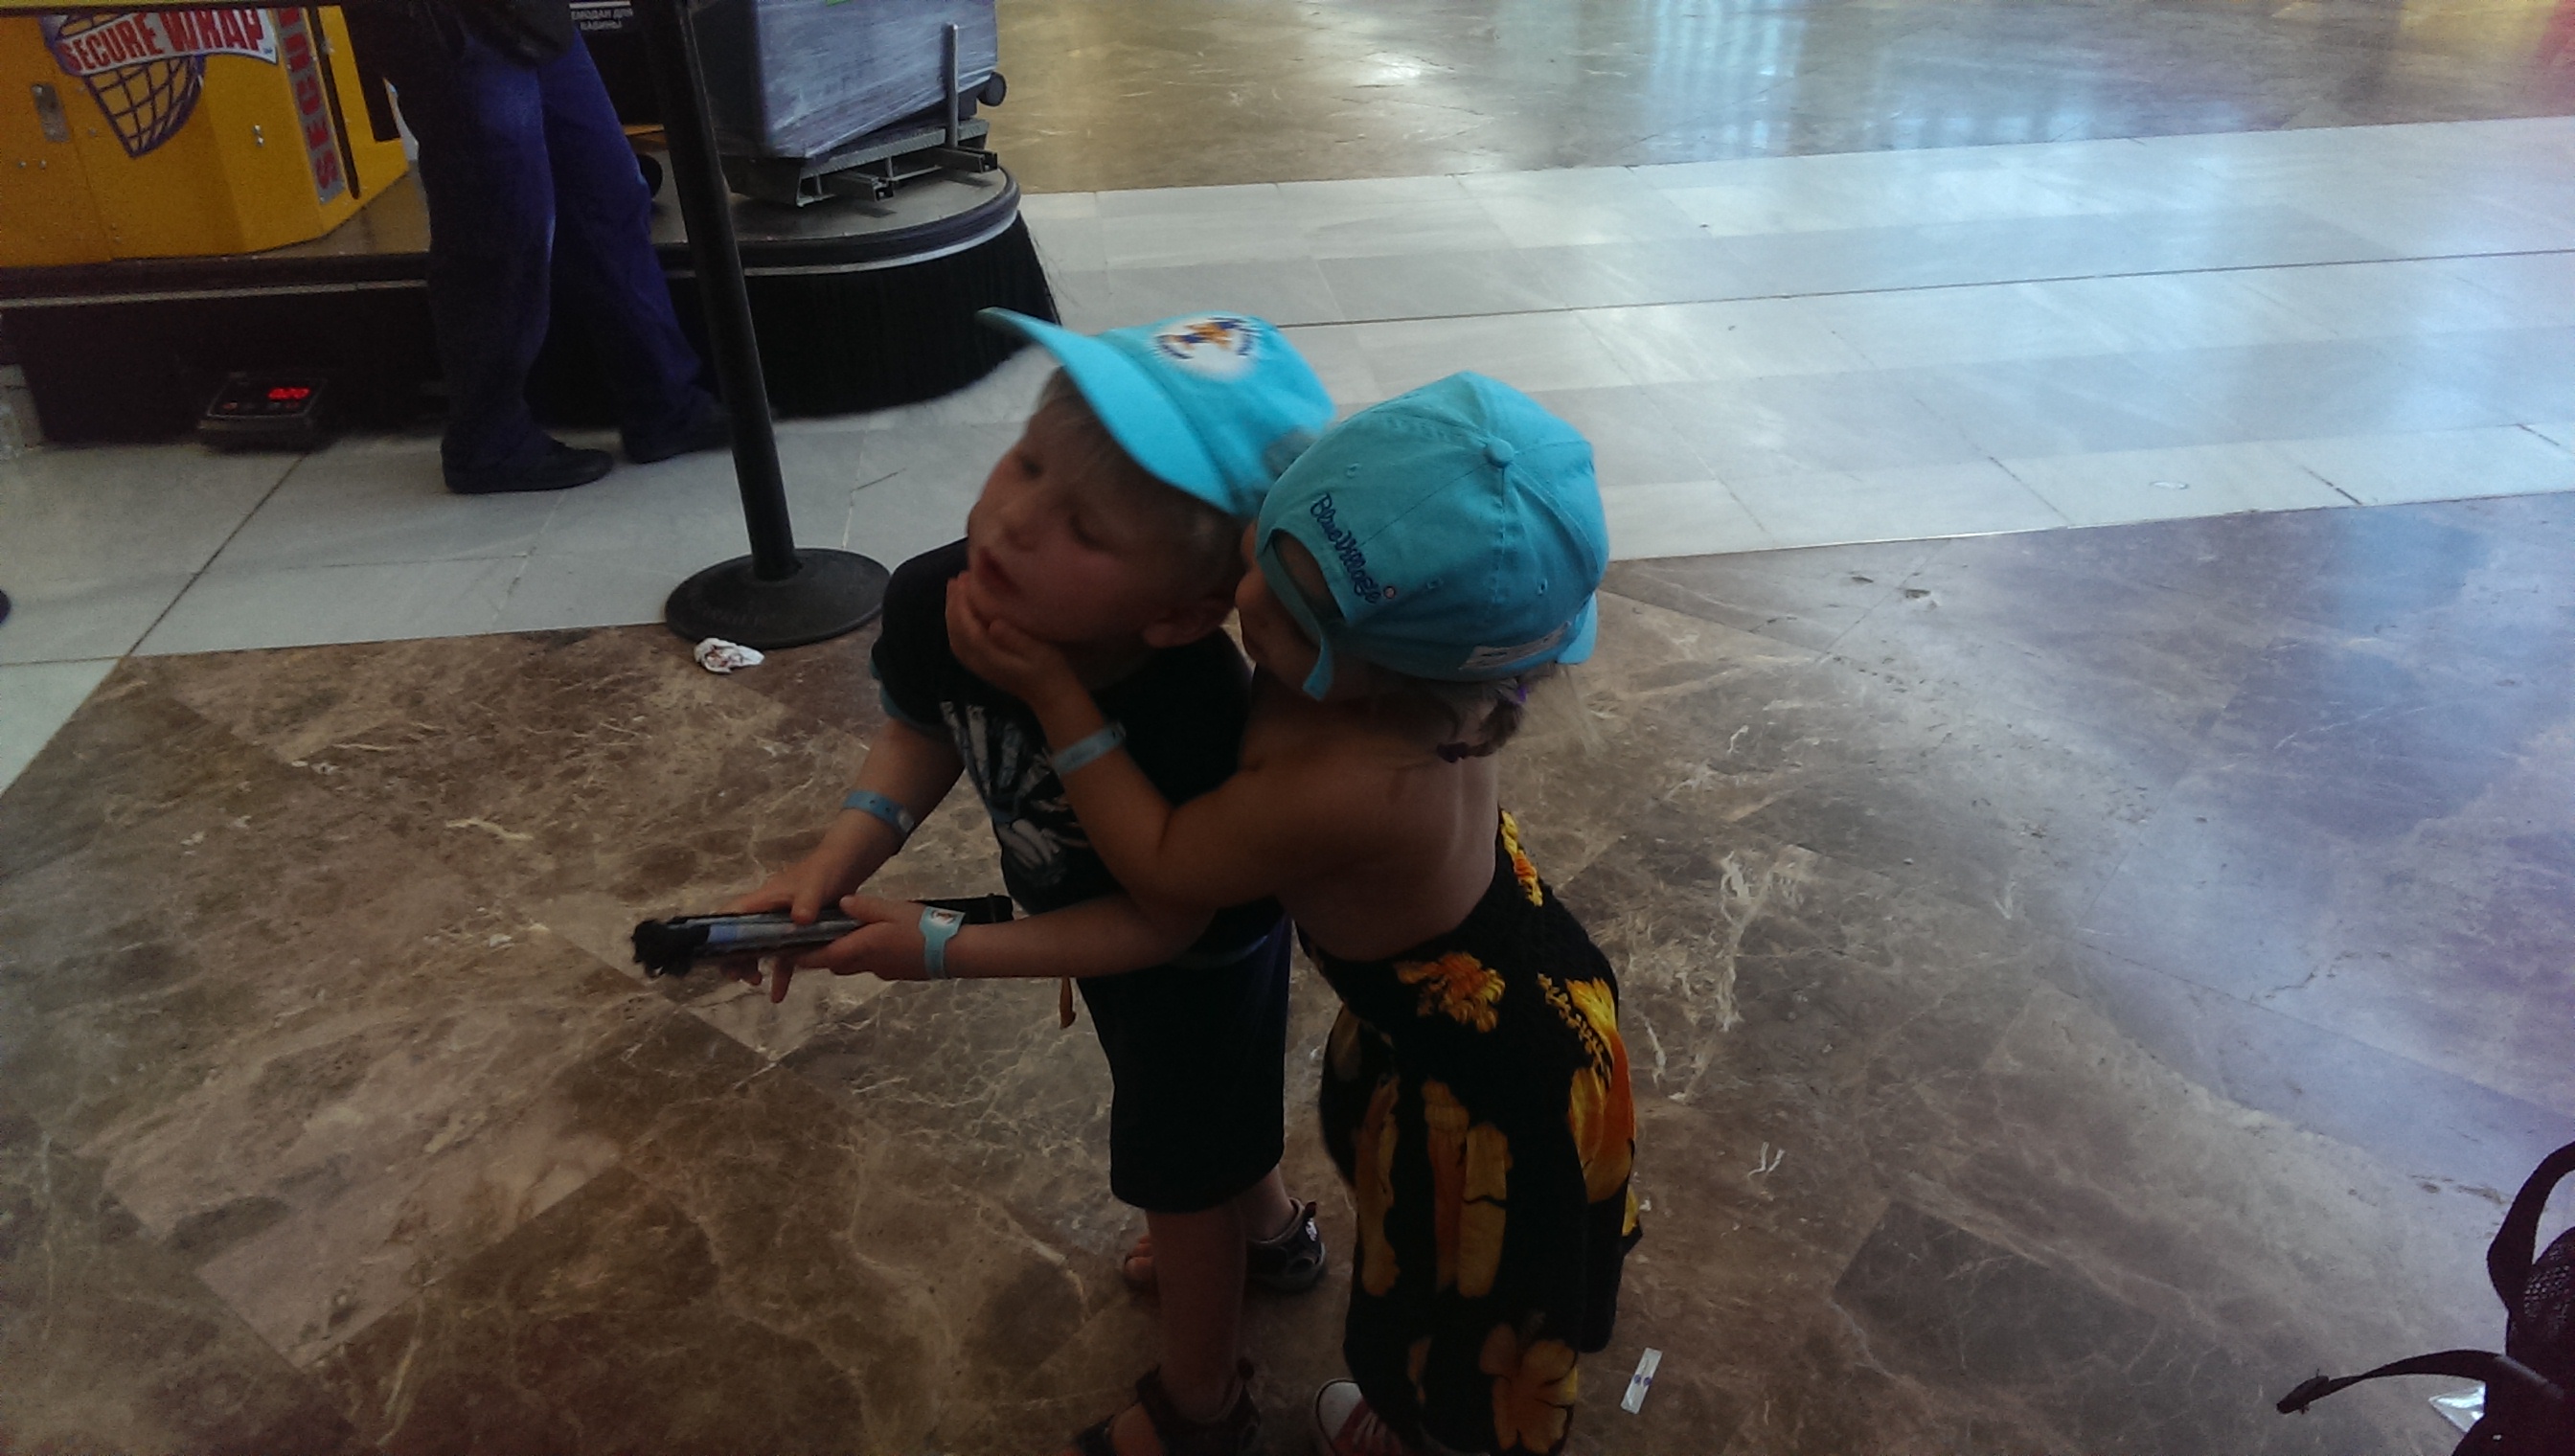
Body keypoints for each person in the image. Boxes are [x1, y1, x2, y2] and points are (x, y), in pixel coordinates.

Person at [931, 373, 1643, 1456]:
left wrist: (1057, 695)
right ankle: (1270, 1235)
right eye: (1266, 550)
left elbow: (1167, 867)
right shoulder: (1406, 687)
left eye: (1300, 615)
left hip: (1482, 1074)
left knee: (1447, 1293)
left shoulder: (1348, 783)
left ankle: (1428, 1431)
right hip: (1493, 987)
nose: (1251, 602)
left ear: (1391, 680)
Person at [720, 310, 1337, 1456]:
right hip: (1093, 921)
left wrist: (940, 945)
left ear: (1180, 610)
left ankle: (1203, 1407)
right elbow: (924, 730)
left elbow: (1164, 921)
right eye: (1026, 460)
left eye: (1085, 527)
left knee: (1177, 1170)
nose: (1013, 518)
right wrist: (834, 859)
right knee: (1202, 1124)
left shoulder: (1197, 710)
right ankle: (1272, 1232)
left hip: (1198, 955)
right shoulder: (939, 596)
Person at [349, 0, 728, 494]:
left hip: (532, 14)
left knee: (607, 194)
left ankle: (666, 404)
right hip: (443, 19)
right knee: (501, 221)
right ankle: (488, 442)